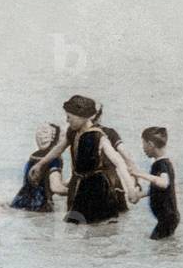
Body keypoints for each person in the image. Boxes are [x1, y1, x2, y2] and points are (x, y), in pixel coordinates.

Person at [27, 103, 141, 210]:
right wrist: (134, 181)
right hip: (105, 182)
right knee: (110, 217)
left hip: (96, 183)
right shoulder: (105, 132)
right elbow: (125, 156)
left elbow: (62, 152)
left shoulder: (83, 132)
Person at [55, 95, 138, 224]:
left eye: (69, 117)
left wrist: (131, 188)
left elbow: (119, 161)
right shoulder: (75, 132)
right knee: (78, 224)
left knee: (99, 225)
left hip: (98, 188)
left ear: (84, 116)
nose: (67, 120)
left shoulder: (100, 136)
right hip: (84, 186)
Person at [132, 126, 180, 240]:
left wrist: (140, 174)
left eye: (143, 144)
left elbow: (164, 183)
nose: (143, 148)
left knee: (156, 243)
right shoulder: (164, 163)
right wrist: (141, 195)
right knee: (164, 244)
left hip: (167, 218)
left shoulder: (161, 164)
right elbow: (158, 188)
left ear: (150, 144)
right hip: (169, 217)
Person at [10, 123, 68, 212]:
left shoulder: (33, 157)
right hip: (40, 207)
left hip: (19, 203)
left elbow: (37, 182)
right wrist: (77, 192)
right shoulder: (54, 160)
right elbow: (56, 188)